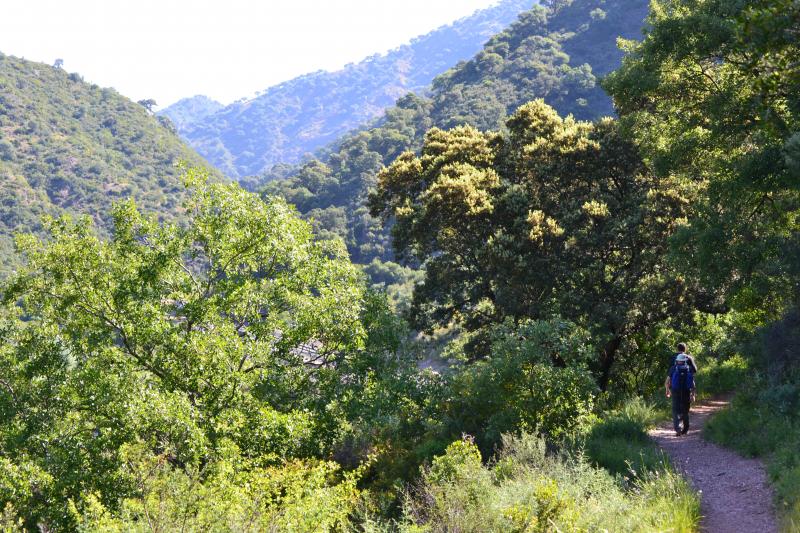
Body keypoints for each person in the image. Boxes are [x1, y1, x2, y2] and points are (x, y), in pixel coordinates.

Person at [665, 353, 696, 436]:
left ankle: (678, 429)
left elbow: (667, 381)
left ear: (677, 361)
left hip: (675, 392)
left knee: (675, 411)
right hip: (686, 392)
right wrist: (693, 394)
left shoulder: (673, 368)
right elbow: (693, 383)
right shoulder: (689, 368)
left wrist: (667, 390)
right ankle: (685, 430)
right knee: (685, 411)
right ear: (684, 361)